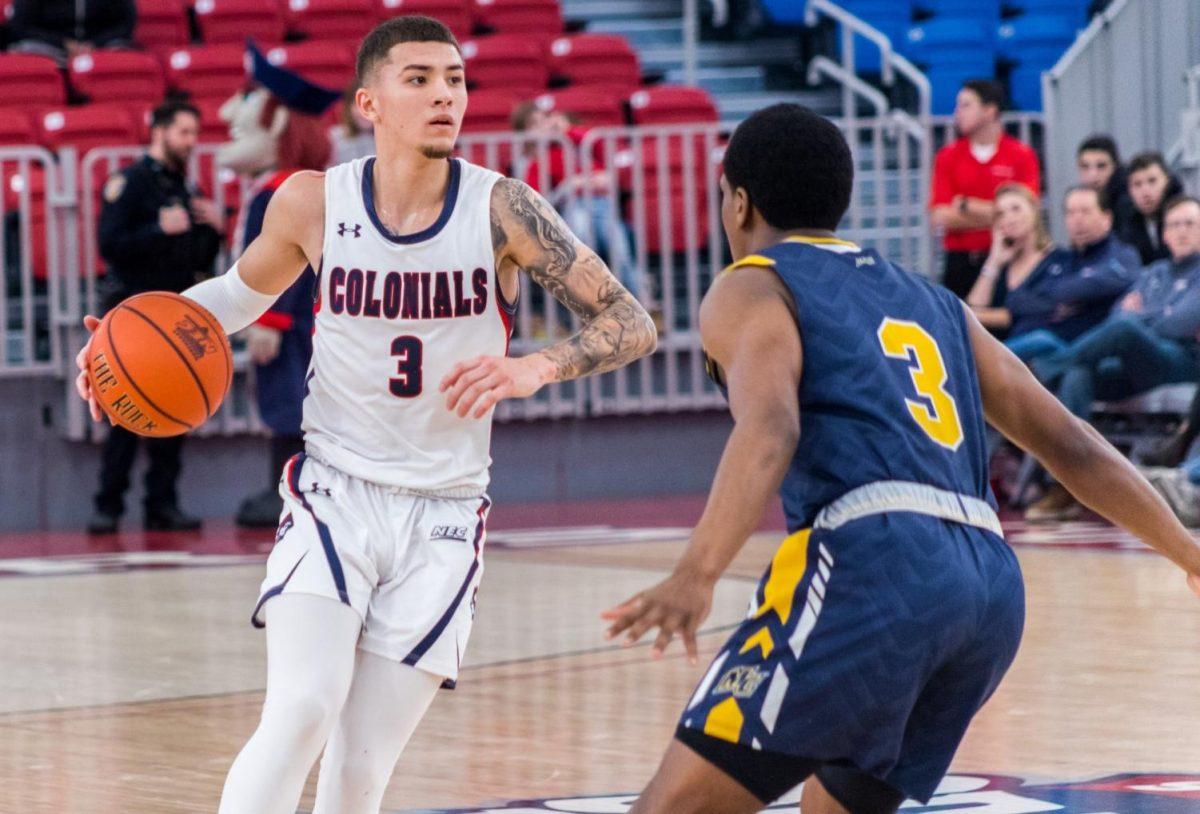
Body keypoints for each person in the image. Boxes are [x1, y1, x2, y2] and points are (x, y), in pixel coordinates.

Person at [76, 15, 655, 814]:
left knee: (358, 772)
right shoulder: (314, 202)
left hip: (446, 515)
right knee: (302, 709)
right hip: (334, 494)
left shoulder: (504, 210)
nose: (443, 94)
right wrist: (120, 336)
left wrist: (536, 366)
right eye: (417, 78)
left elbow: (631, 320)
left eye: (453, 78)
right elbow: (237, 299)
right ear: (369, 103)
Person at [600, 103, 1200, 814]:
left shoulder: (751, 283)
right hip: (987, 587)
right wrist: (1185, 549)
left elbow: (771, 426)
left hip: (875, 563)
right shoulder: (934, 299)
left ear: (737, 201)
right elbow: (1071, 441)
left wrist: (696, 574)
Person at [217, 43, 342, 528]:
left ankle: (291, 489)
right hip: (296, 320)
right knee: (285, 401)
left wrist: (267, 320)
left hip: (292, 324)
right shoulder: (279, 187)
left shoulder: (283, 192)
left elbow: (286, 264)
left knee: (289, 403)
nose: (229, 112)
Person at [87, 100, 225, 535]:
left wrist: (215, 228)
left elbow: (200, 255)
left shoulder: (186, 187)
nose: (191, 142)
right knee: (124, 410)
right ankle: (108, 506)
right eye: (183, 132)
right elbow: (108, 244)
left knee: (173, 408)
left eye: (194, 133)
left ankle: (162, 504)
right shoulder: (130, 182)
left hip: (175, 312)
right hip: (133, 315)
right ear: (159, 131)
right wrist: (156, 230)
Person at [1028, 196, 1200, 521]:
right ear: (1164, 234)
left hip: (1181, 363)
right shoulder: (1155, 272)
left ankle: (1045, 370)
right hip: (1136, 362)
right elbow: (1119, 311)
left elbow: (1181, 323)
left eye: (1189, 224)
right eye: (1174, 225)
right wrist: (1156, 314)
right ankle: (1065, 484)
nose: (1181, 231)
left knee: (1125, 329)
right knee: (1080, 371)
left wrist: (1143, 315)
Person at [511, 101, 641, 304]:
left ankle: (641, 304)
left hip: (601, 203)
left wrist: (567, 130)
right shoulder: (535, 160)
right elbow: (538, 200)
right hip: (567, 210)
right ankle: (593, 306)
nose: (544, 127)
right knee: (581, 239)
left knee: (619, 249)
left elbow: (599, 152)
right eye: (535, 124)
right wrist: (570, 186)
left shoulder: (572, 143)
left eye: (545, 121)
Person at [1000, 185, 1140, 364]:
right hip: (1034, 344)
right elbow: (1016, 301)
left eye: (1085, 212)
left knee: (1040, 340)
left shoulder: (1121, 255)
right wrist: (1060, 302)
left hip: (1079, 347)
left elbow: (1102, 283)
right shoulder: (1061, 259)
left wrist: (1054, 294)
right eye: (1071, 213)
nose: (1077, 220)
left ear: (1107, 218)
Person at [929, 79, 1041, 298]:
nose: (957, 113)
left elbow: (1028, 212)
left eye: (965, 105)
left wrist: (965, 206)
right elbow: (941, 216)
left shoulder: (1021, 154)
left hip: (1010, 257)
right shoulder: (948, 156)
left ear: (990, 111)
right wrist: (1002, 215)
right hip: (960, 261)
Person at [966, 183, 1052, 337]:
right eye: (1000, 214)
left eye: (1016, 209)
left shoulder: (1056, 260)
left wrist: (971, 315)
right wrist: (994, 260)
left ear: (1034, 209)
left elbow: (1030, 312)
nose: (1009, 218)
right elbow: (975, 306)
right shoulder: (1001, 265)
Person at [9, 0, 135, 67]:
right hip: (50, 46)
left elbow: (126, 24)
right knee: (25, 50)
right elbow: (21, 26)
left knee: (125, 53)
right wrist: (63, 43)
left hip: (99, 46)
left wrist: (94, 44)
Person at [1122, 152, 1184, 266]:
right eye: (1137, 184)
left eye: (1152, 181)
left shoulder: (1186, 215)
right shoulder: (1128, 222)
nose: (1145, 191)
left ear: (1167, 181)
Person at [1076, 134, 1135, 239]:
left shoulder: (1129, 202)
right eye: (1085, 167)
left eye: (1101, 166)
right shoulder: (1078, 203)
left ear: (1115, 167)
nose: (1093, 174)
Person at [329, 79, 376, 166]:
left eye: (371, 105)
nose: (364, 112)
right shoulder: (333, 138)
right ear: (348, 107)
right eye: (358, 105)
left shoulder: (389, 141)